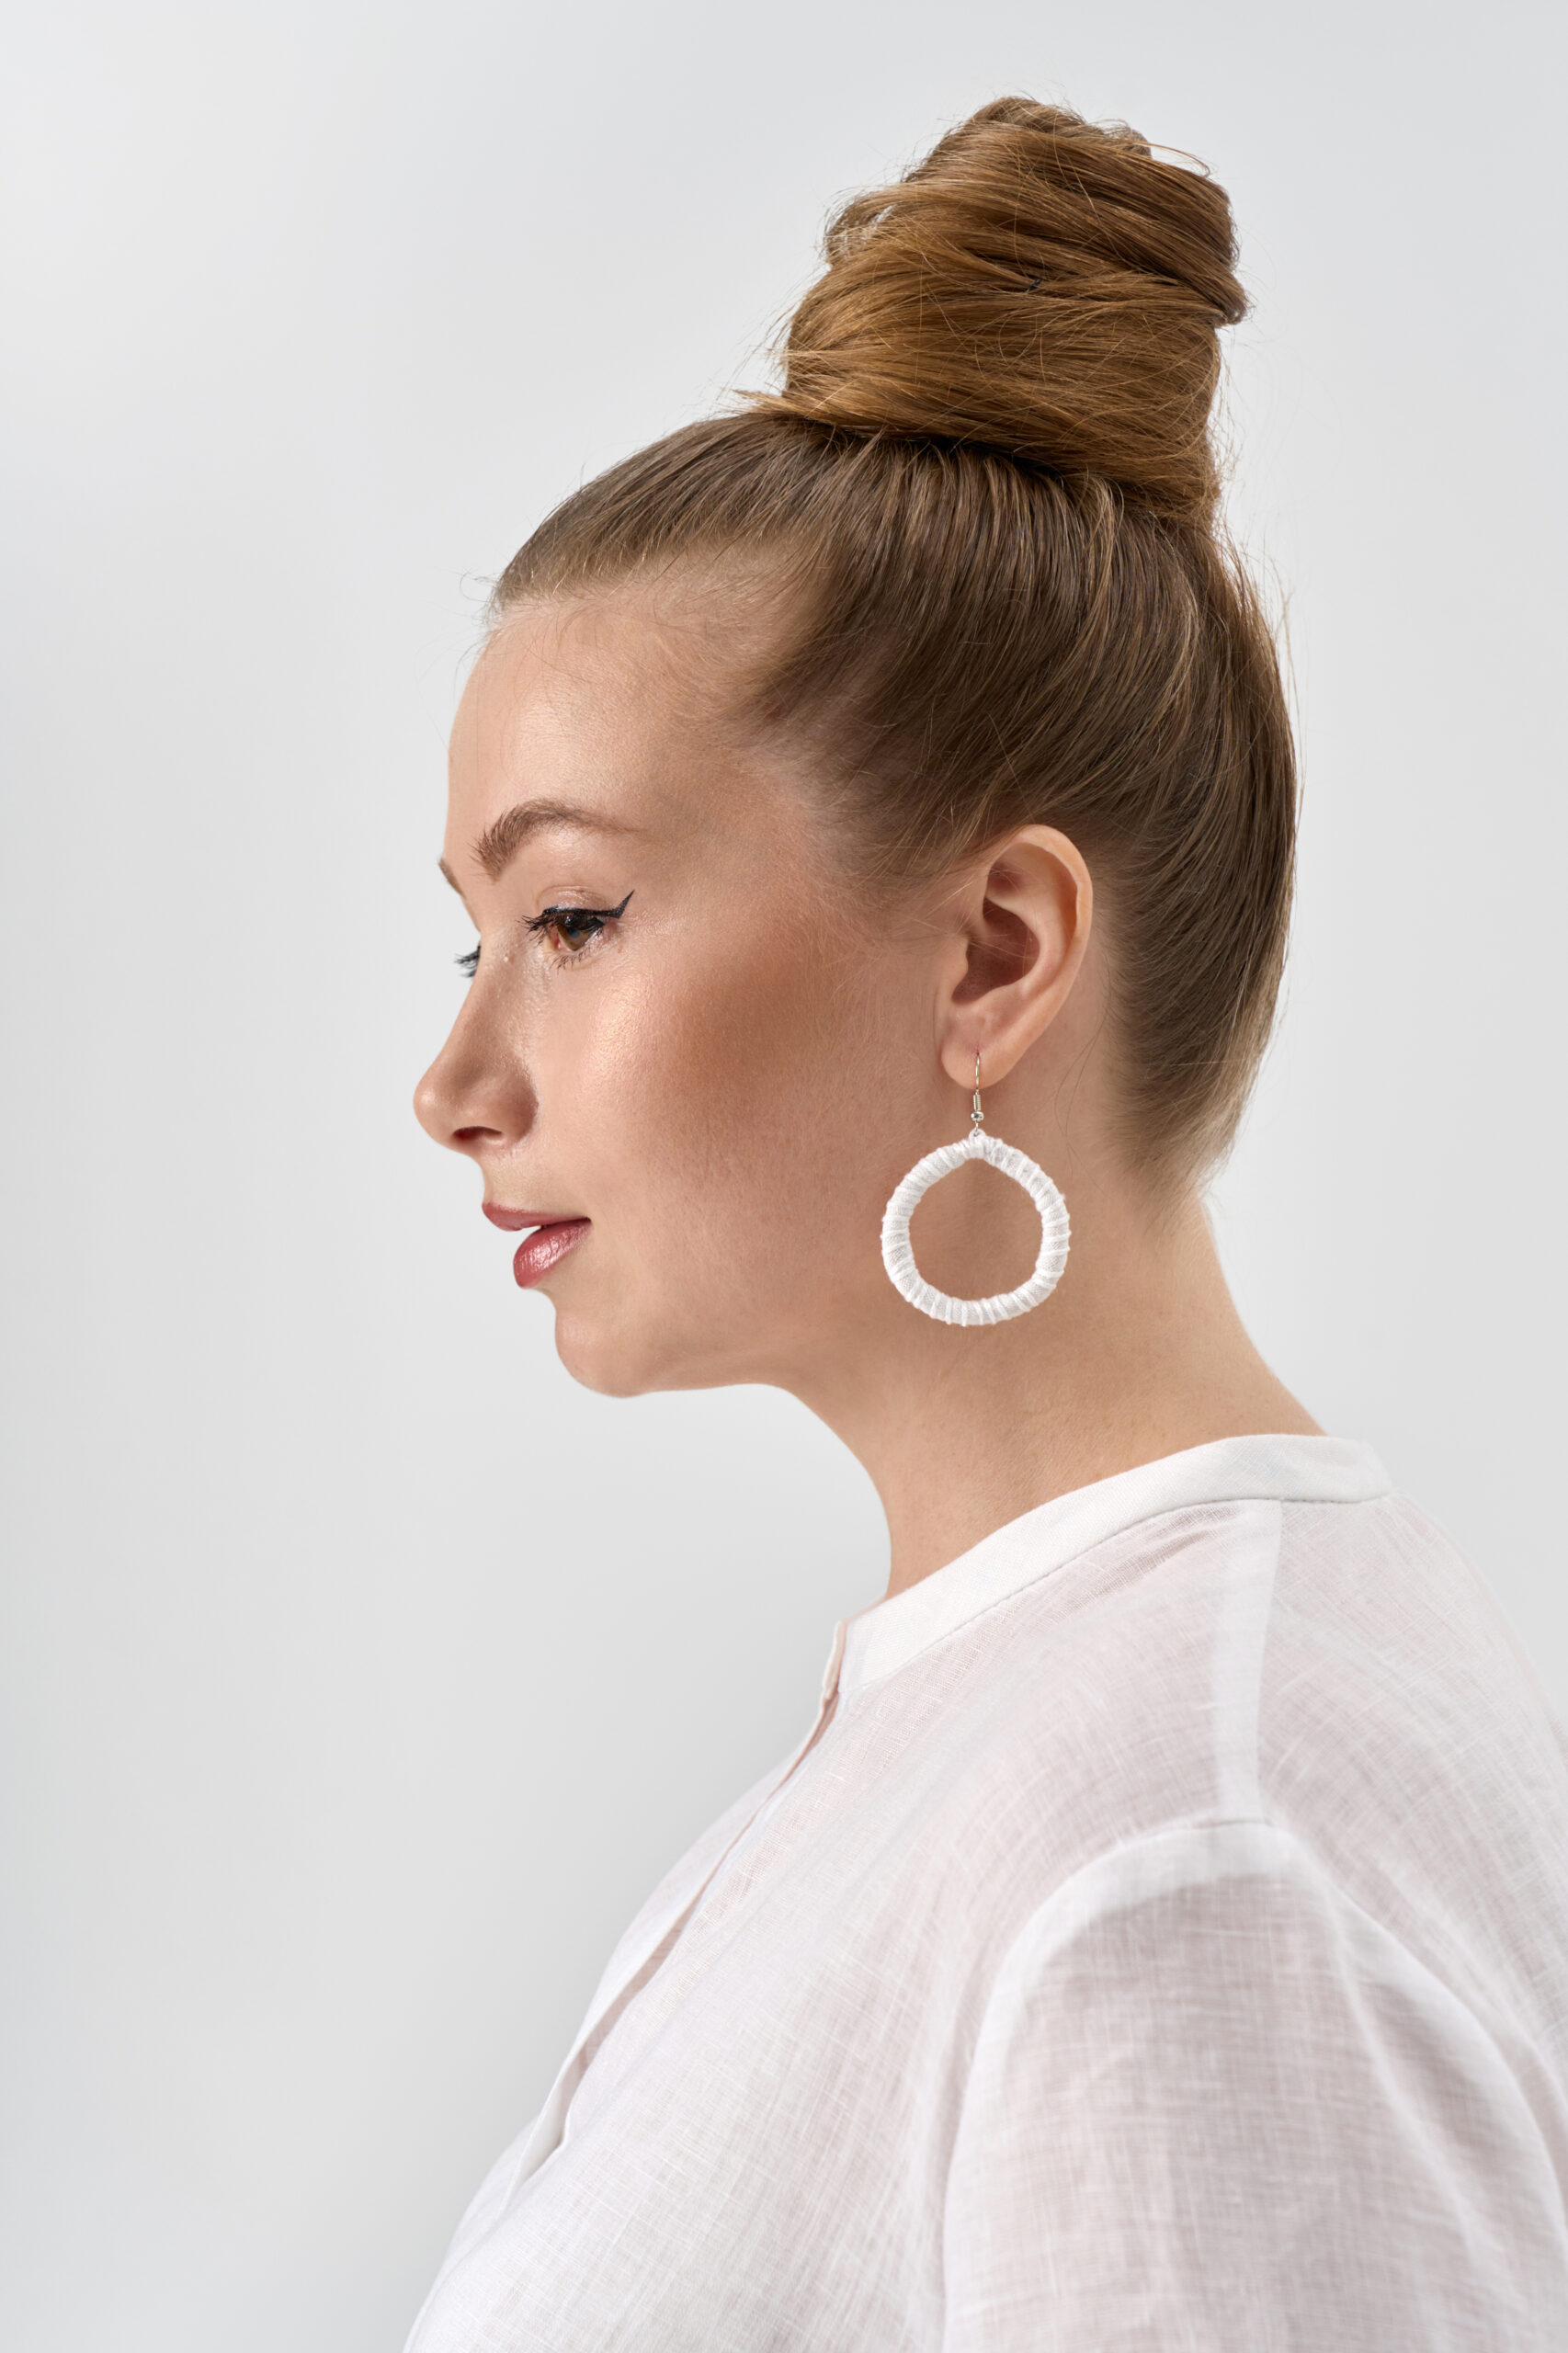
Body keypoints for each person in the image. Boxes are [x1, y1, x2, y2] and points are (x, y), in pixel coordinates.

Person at [405, 96, 1568, 2350]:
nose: (454, 1083)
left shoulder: (1189, 1853)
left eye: (573, 916)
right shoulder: (1026, 1722)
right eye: (472, 937)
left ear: (994, 954)